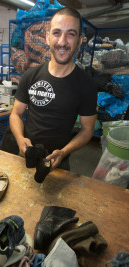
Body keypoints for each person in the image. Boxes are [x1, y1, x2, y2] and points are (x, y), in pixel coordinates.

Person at [9, 7, 97, 171]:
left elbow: (87, 130)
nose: (62, 42)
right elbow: (16, 113)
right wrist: (21, 140)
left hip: (59, 161)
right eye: (57, 33)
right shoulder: (31, 75)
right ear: (48, 37)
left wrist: (64, 152)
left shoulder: (87, 85)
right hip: (26, 154)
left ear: (79, 41)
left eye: (70, 34)